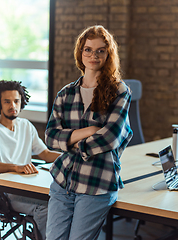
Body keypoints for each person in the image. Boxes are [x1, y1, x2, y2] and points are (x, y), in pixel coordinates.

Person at [45, 25, 133, 239]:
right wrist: (89, 130)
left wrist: (71, 143)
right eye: (88, 49)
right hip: (63, 180)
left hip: (97, 183)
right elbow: (49, 137)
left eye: (100, 50)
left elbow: (109, 139)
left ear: (108, 54)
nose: (93, 55)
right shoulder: (66, 94)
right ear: (80, 53)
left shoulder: (119, 92)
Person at [0, 80, 61, 239]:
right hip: (3, 192)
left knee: (62, 198)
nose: (13, 105)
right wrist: (16, 167)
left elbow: (45, 154)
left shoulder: (26, 125)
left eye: (16, 101)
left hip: (27, 186)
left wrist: (70, 157)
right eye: (7, 101)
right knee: (45, 207)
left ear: (22, 102)